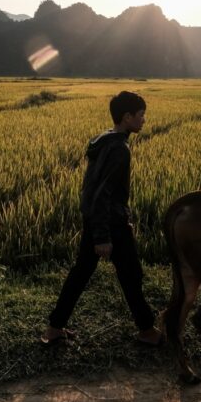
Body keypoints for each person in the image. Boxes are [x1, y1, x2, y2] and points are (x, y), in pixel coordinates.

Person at [42, 90, 163, 346]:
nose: (144, 120)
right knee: (131, 274)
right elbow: (102, 193)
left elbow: (93, 189)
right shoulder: (119, 149)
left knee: (81, 273)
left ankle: (54, 328)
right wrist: (102, 236)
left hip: (96, 219)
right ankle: (147, 331)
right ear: (127, 117)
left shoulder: (103, 140)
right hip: (110, 223)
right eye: (141, 115)